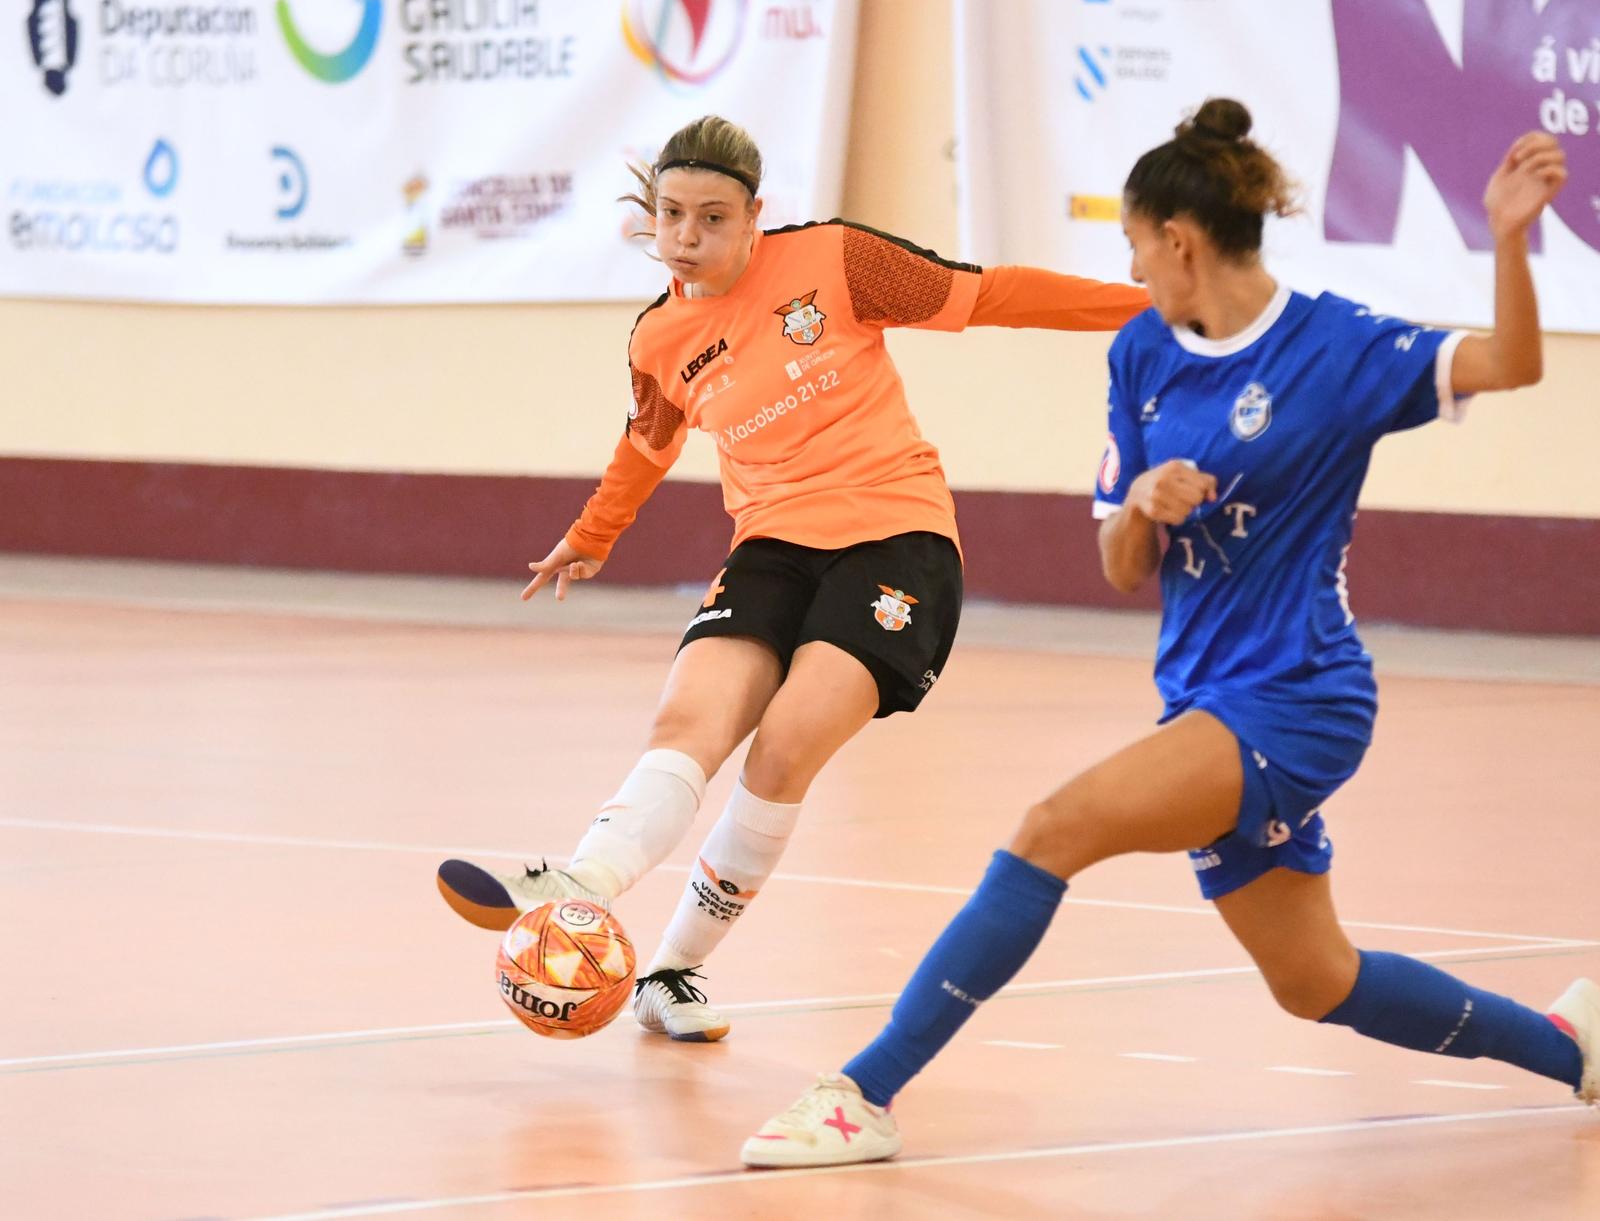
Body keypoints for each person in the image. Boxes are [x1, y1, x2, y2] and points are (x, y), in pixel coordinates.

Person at [741, 100, 1600, 1167]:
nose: (1130, 268)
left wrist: (1509, 240)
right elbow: (1120, 568)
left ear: (1179, 240)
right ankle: (1572, 1046)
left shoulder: (1335, 347)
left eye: (1130, 244)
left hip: (1299, 695)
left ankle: (861, 1093)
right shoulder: (1140, 357)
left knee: (1047, 828)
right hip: (1202, 698)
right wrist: (1141, 508)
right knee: (1316, 981)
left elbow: (1509, 364)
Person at [434, 115, 1150, 1040]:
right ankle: (585, 881)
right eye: (671, 216)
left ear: (755, 216)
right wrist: (592, 532)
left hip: (896, 534)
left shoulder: (835, 260)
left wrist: (1154, 311)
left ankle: (674, 970)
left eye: (713, 218)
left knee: (785, 746)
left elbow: (991, 294)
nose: (688, 238)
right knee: (689, 717)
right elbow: (648, 441)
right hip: (771, 542)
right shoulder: (659, 336)